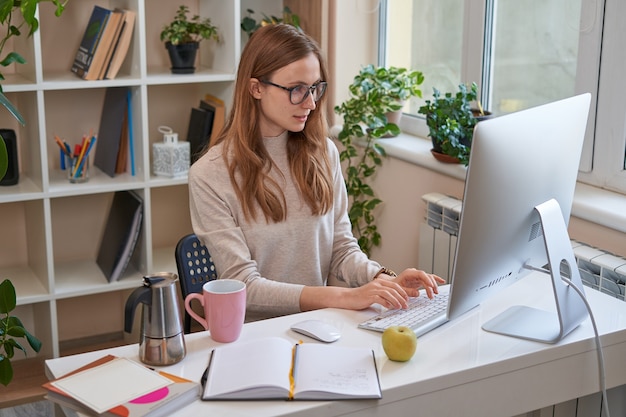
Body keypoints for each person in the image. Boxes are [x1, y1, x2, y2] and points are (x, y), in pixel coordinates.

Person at [188, 24, 444, 322]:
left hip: (317, 327)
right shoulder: (210, 175)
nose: (310, 103)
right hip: (256, 337)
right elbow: (245, 286)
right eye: (296, 90)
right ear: (255, 88)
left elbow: (341, 247)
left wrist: (382, 278)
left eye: (315, 88)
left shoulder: (323, 152)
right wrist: (345, 297)